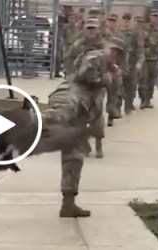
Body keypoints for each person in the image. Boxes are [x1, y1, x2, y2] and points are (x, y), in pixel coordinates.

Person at [48, 39, 124, 217]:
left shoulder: (105, 66)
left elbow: (98, 101)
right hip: (70, 104)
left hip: (77, 113)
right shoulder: (95, 57)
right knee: (51, 127)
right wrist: (108, 77)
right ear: (106, 49)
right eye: (112, 51)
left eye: (118, 54)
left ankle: (68, 203)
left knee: (74, 157)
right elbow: (86, 75)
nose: (114, 56)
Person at [66, 18, 106, 158]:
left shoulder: (104, 45)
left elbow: (112, 62)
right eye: (88, 28)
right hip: (81, 84)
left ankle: (99, 145)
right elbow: (68, 59)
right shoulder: (78, 45)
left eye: (93, 28)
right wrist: (71, 75)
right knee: (80, 113)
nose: (91, 31)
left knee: (97, 114)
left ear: (98, 29)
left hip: (98, 85)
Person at [141, 9, 158, 109]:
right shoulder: (144, 29)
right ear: (149, 17)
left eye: (156, 17)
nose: (154, 19)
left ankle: (148, 100)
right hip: (144, 58)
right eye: (153, 16)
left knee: (152, 82)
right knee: (143, 80)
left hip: (154, 59)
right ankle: (143, 99)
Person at [120, 12, 144, 115]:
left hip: (132, 63)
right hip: (121, 64)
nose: (126, 22)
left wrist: (139, 62)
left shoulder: (135, 33)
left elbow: (140, 48)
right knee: (119, 87)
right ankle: (116, 109)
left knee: (131, 86)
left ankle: (128, 106)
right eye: (125, 19)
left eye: (128, 20)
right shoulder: (119, 33)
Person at [134, 15, 148, 102]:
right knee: (132, 82)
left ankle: (143, 99)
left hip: (142, 59)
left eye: (141, 22)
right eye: (137, 22)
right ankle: (130, 101)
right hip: (133, 60)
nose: (139, 24)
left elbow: (149, 44)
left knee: (143, 80)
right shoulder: (132, 34)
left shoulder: (145, 34)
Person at [61, 12, 79, 76]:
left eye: (73, 18)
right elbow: (63, 38)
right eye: (70, 18)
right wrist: (64, 48)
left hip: (76, 49)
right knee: (68, 65)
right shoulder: (65, 28)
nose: (71, 20)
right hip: (68, 48)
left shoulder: (78, 28)